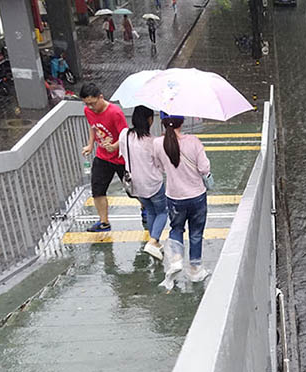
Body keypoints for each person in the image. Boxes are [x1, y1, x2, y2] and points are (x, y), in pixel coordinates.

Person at [153, 112, 212, 282]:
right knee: (196, 233)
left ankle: (177, 259)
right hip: (196, 196)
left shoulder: (157, 143)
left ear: (162, 121)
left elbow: (158, 166)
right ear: (182, 121)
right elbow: (204, 168)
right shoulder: (193, 141)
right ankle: (195, 270)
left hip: (174, 196)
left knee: (176, 228)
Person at [103, 106, 167, 260]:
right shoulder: (153, 142)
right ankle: (153, 241)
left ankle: (155, 244)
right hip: (153, 184)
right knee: (162, 212)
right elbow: (161, 166)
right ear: (150, 120)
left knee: (151, 212)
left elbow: (121, 152)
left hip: (135, 185)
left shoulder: (125, 134)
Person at [80, 83, 127, 232]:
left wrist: (114, 146)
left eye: (93, 103)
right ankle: (104, 222)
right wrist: (90, 145)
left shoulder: (115, 112)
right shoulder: (87, 111)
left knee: (133, 190)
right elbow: (93, 127)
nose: (91, 107)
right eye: (87, 104)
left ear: (101, 97)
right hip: (102, 156)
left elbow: (125, 135)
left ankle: (145, 208)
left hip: (120, 157)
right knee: (98, 190)